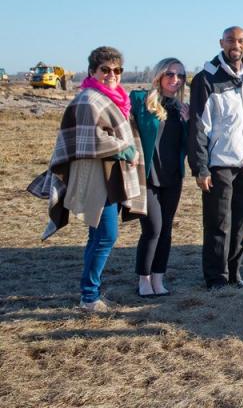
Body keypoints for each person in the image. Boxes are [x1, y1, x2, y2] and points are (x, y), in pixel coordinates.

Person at [28, 46, 146, 312]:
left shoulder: (115, 98)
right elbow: (90, 138)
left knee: (98, 235)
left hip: (109, 177)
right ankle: (89, 296)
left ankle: (90, 293)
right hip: (94, 178)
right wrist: (125, 149)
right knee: (105, 235)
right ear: (93, 71)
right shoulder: (88, 99)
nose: (111, 75)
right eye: (105, 69)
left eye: (117, 70)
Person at [188, 26, 243, 290]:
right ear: (221, 42)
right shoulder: (206, 79)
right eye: (230, 40)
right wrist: (201, 168)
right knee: (219, 224)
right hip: (219, 164)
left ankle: (235, 273)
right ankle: (216, 277)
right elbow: (198, 126)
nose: (236, 45)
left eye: (241, 41)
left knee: (240, 223)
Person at [129, 58, 189, 297]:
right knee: (152, 229)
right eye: (171, 74)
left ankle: (158, 279)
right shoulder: (141, 101)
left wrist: (189, 122)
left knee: (166, 230)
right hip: (148, 177)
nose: (176, 80)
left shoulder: (181, 109)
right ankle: (143, 280)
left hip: (173, 177)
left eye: (181, 76)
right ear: (160, 75)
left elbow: (186, 145)